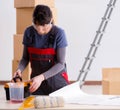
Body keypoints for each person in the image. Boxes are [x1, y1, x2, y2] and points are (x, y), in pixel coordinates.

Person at [13, 5, 69, 95]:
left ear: (50, 21)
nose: (40, 30)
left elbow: (60, 63)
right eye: (36, 25)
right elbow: (25, 58)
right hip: (36, 84)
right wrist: (19, 69)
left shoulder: (59, 33)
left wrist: (42, 77)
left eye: (44, 26)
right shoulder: (29, 32)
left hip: (57, 83)